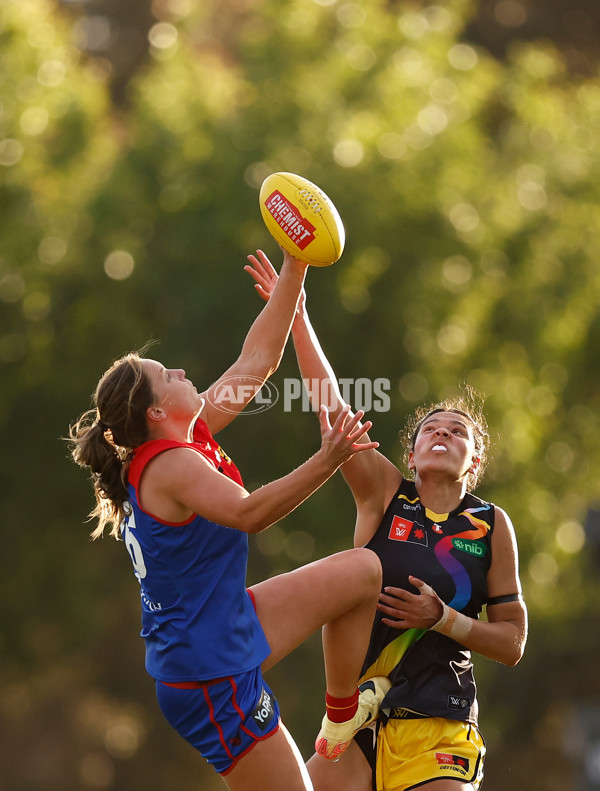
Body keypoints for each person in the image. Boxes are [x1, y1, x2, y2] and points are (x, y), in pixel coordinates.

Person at [67, 249, 391, 791]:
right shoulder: (169, 466)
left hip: (224, 628)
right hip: (206, 676)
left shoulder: (183, 434)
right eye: (164, 373)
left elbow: (256, 362)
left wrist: (296, 264)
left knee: (363, 572)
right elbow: (249, 514)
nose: (180, 371)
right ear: (154, 411)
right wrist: (327, 459)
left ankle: (342, 719)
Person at [245, 254, 528, 791]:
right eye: (430, 430)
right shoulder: (384, 494)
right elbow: (333, 409)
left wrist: (442, 618)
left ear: (475, 461)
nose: (442, 434)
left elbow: (512, 644)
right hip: (359, 727)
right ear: (413, 455)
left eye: (458, 432)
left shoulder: (492, 525)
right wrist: (299, 318)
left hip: (439, 724)